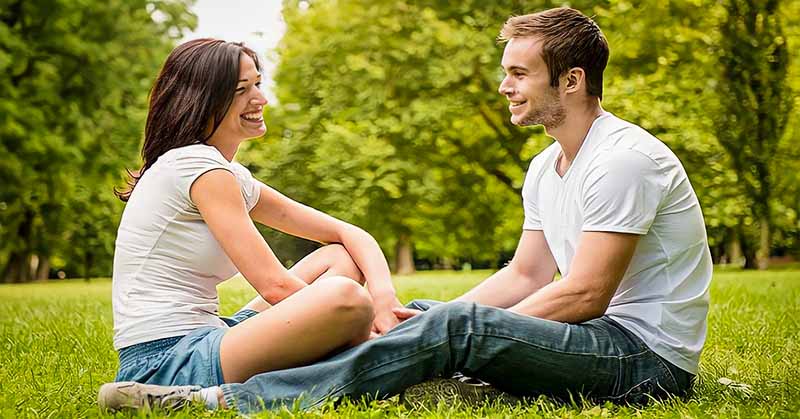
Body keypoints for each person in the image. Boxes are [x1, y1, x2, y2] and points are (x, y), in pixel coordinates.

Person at [99, 8, 712, 413]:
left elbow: (585, 296)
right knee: (427, 318)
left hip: (640, 357)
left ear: (572, 81)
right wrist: (428, 320)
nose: (504, 86)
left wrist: (466, 334)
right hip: (591, 338)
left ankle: (228, 402)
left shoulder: (623, 159)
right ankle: (422, 356)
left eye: (519, 74)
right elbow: (526, 276)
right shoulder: (545, 169)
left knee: (449, 328)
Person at [97, 38, 407, 410]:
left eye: (257, 84)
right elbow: (275, 286)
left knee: (340, 259)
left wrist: (385, 297)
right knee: (346, 299)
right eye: (241, 90)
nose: (260, 99)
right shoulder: (198, 168)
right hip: (165, 362)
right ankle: (189, 398)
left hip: (210, 336)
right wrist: (369, 323)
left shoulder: (227, 173)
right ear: (203, 99)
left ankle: (340, 354)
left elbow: (347, 233)